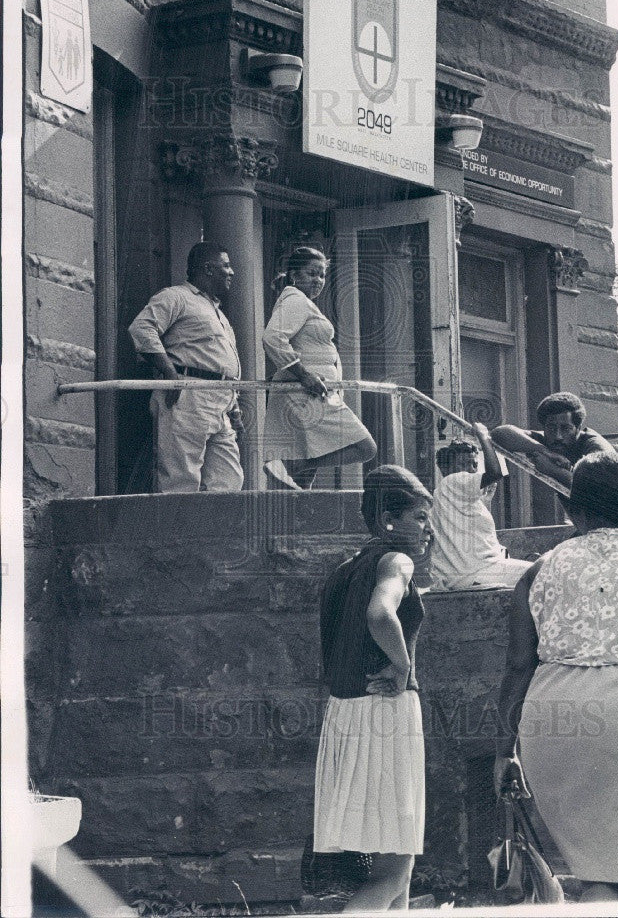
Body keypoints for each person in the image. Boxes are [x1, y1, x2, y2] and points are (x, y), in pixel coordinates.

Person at [494, 452, 618, 904]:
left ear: (572, 508)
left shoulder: (538, 571)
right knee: (616, 883)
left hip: (552, 722)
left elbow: (518, 667)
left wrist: (504, 753)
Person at [314, 466, 432, 911]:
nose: (428, 528)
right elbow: (380, 614)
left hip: (346, 715)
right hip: (386, 714)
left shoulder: (343, 571)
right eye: (419, 517)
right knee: (392, 874)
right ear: (387, 520)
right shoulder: (395, 561)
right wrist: (402, 666)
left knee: (395, 878)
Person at [128, 241, 244, 493]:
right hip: (188, 395)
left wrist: (233, 405)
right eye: (226, 265)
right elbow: (142, 329)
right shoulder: (175, 296)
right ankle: (176, 532)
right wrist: (170, 374)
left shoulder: (216, 311)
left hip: (220, 401)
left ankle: (214, 533)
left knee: (228, 481)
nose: (232, 272)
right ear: (208, 269)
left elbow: (217, 361)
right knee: (181, 478)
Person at [262, 246, 376, 489]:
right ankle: (297, 464)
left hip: (315, 394)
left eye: (322, 275)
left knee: (303, 484)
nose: (319, 280)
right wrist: (304, 375)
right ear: (294, 275)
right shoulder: (295, 299)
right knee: (365, 447)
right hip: (306, 394)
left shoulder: (303, 302)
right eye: (312, 273)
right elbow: (273, 338)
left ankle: (298, 477)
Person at [491, 391, 618, 539]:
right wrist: (543, 450)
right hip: (593, 526)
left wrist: (553, 471)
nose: (557, 436)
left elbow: (604, 493)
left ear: (578, 427)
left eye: (565, 428)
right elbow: (500, 433)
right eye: (551, 428)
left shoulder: (596, 447)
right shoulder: (547, 443)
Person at [430, 423, 532, 589]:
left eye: (474, 464)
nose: (471, 470)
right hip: (478, 572)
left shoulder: (449, 497)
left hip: (470, 573)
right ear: (444, 468)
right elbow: (495, 473)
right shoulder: (451, 482)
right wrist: (483, 437)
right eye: (464, 464)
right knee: (546, 570)